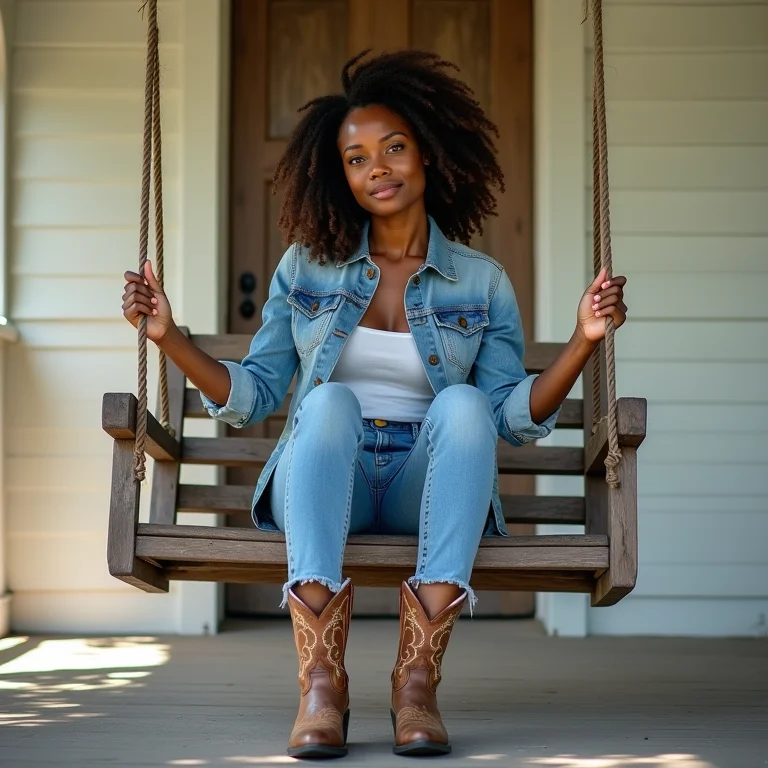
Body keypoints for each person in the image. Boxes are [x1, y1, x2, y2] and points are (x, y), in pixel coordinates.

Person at [122, 49, 627, 760]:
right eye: (357, 158)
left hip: (428, 481)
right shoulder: (306, 268)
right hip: (336, 481)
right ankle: (321, 686)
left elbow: (509, 417)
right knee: (325, 404)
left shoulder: (481, 282)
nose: (378, 168)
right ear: (341, 176)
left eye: (393, 148)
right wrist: (167, 337)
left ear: (429, 153)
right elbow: (258, 393)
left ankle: (416, 684)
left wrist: (582, 340)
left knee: (459, 406)